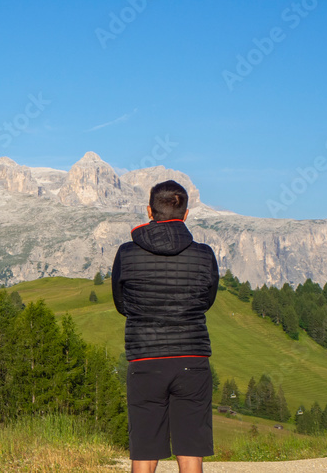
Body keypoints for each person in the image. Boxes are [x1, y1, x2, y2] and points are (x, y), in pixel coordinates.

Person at [112, 180, 219, 473]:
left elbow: (121, 304)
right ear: (185, 214)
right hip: (192, 359)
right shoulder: (204, 254)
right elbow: (206, 300)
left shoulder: (126, 253)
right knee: (190, 452)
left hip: (145, 358)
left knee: (144, 451)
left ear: (149, 210)